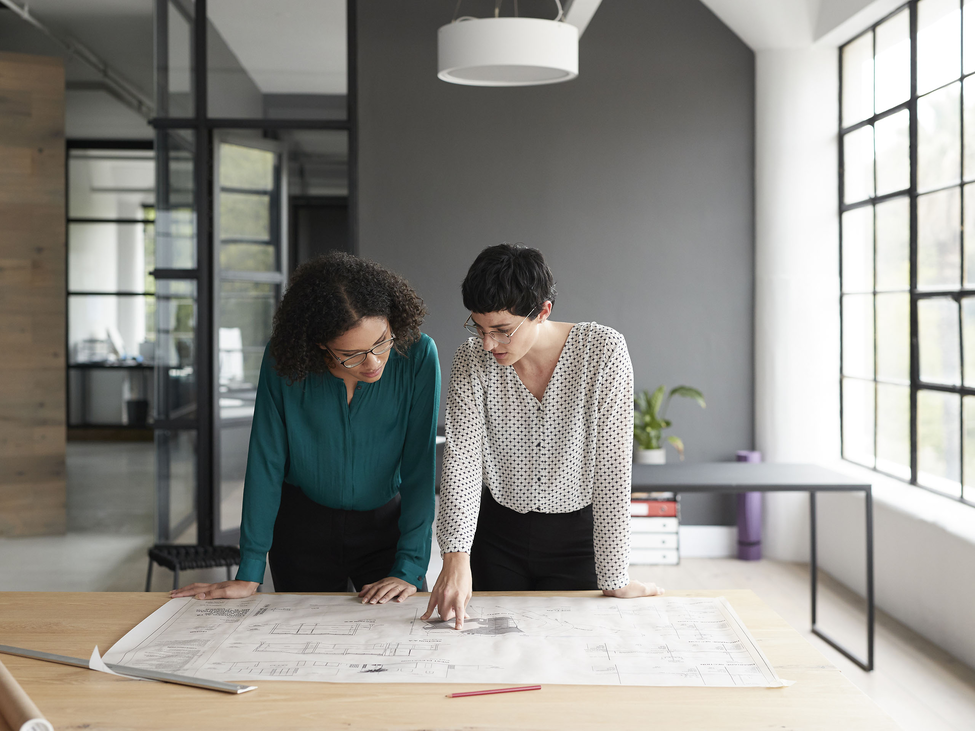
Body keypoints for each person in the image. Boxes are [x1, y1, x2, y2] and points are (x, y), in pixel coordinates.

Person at [172, 251, 440, 605]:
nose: (374, 362)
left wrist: (409, 566)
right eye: (353, 354)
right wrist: (250, 569)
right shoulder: (283, 361)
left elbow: (420, 469)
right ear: (320, 346)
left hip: (386, 529)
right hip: (301, 530)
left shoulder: (418, 356)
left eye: (381, 342)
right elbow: (266, 461)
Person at [423, 244, 662, 629]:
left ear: (543, 310)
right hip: (497, 534)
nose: (488, 344)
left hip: (577, 539)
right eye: (478, 328)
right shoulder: (472, 359)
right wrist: (454, 559)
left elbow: (613, 469)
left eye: (502, 331)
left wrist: (615, 577)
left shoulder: (602, 351)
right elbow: (462, 461)